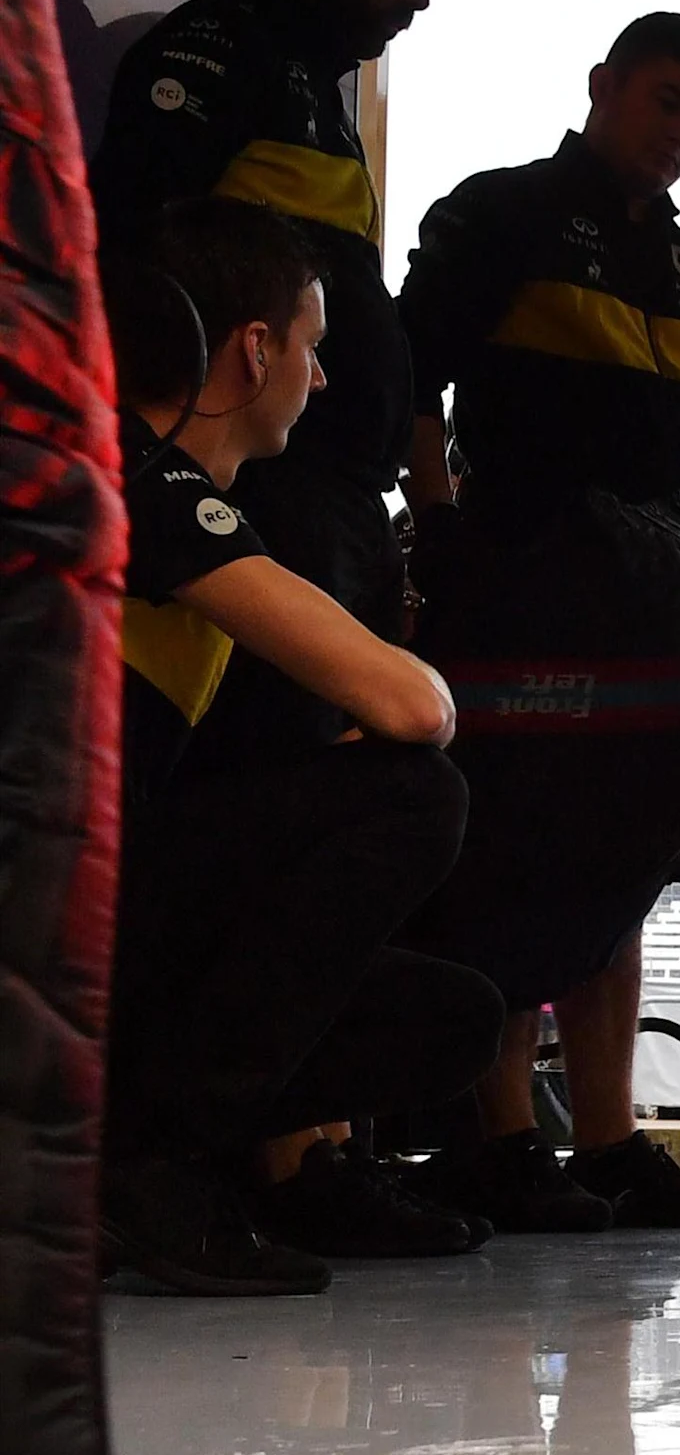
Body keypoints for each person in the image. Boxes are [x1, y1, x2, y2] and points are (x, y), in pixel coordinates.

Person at [394, 13, 680, 1233]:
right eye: (668, 102)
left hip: (669, 610)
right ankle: (502, 1141)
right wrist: (441, 523)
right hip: (519, 589)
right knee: (513, 862)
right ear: (604, 85)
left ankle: (607, 1147)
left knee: (629, 862)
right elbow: (410, 378)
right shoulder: (497, 214)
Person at [95, 198, 503, 1295]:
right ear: (254, 349)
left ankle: (132, 1149)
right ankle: (145, 1165)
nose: (322, 383)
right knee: (413, 797)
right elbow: (412, 709)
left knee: (449, 1019)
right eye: (314, 349)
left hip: (92, 910)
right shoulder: (143, 480)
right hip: (52, 917)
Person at [90, 0, 441, 797]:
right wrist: (178, 467)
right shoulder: (211, 49)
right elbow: (131, 276)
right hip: (251, 494)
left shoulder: (326, 95)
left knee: (369, 776)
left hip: (342, 505)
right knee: (268, 778)